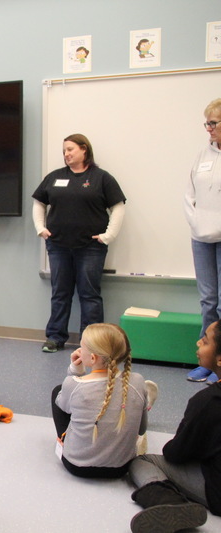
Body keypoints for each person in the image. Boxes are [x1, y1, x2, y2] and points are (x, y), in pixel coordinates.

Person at [32, 133, 126, 353]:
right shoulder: (54, 177)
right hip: (58, 246)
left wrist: (108, 235)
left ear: (84, 150)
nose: (66, 154)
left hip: (91, 247)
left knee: (89, 294)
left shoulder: (101, 178)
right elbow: (38, 202)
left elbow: (119, 207)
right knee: (60, 292)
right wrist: (40, 228)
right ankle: (55, 337)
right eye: (64, 150)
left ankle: (92, 344)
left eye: (70, 149)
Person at [127, 320, 221, 533]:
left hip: (217, 492)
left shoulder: (207, 402)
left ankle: (171, 503)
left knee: (143, 461)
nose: (198, 343)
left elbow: (176, 454)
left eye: (205, 341)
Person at [51, 323, 152, 478]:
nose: (79, 349)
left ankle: (64, 439)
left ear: (92, 357)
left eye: (81, 346)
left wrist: (74, 371)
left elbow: (63, 402)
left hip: (76, 465)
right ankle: (146, 401)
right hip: (122, 467)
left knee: (58, 392)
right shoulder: (137, 381)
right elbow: (141, 429)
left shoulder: (74, 384)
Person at [184, 98, 221, 384]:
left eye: (213, 123)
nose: (209, 129)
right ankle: (207, 361)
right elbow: (189, 195)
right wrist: (198, 224)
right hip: (202, 237)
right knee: (208, 299)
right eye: (207, 123)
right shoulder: (202, 155)